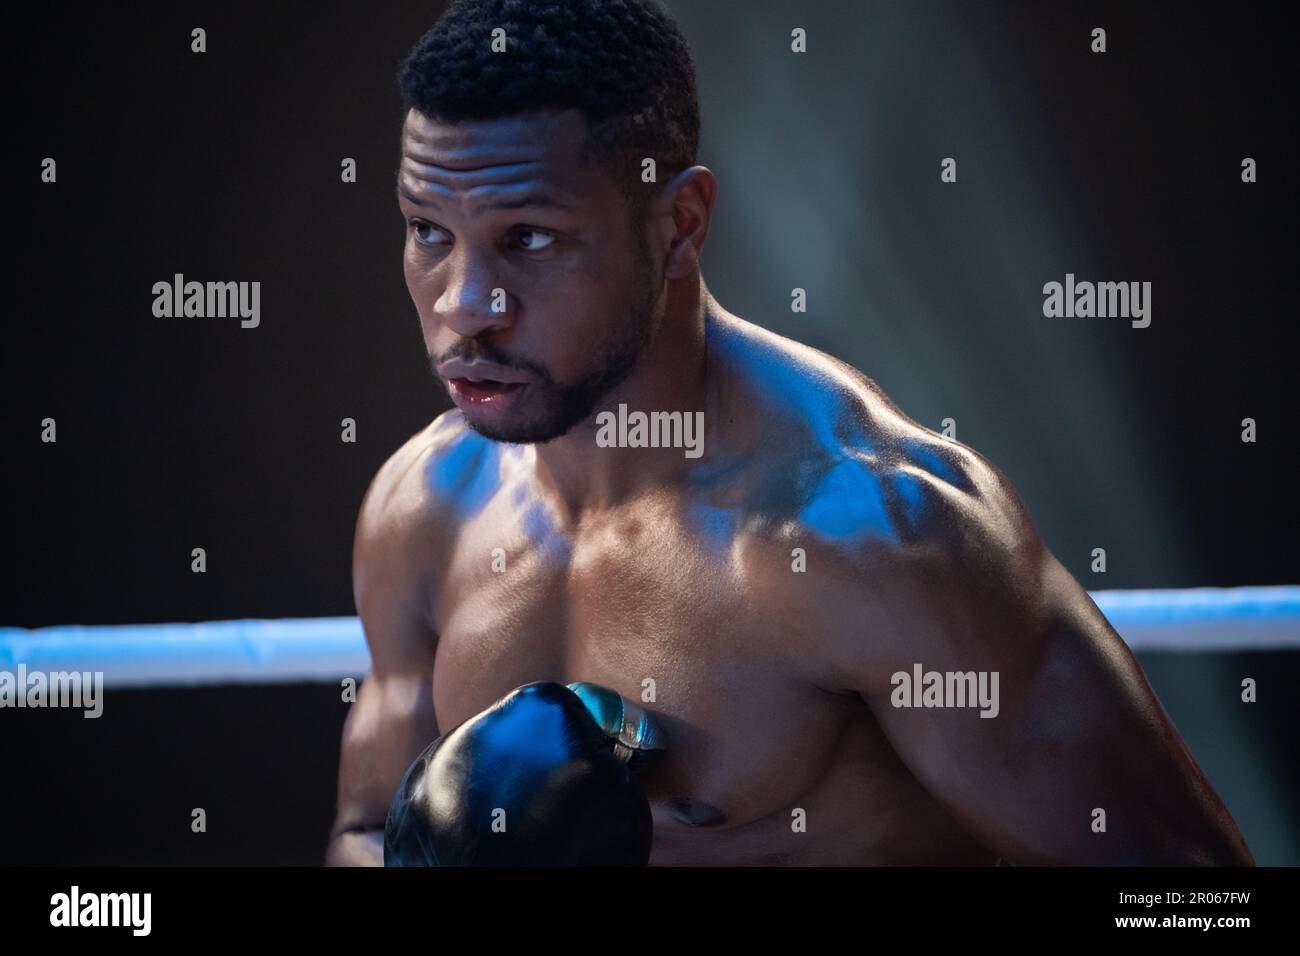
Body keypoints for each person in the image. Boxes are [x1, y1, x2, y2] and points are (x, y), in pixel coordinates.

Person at [326, 0, 1252, 866]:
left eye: (528, 236)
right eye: (427, 230)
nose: (463, 307)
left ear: (678, 225)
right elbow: (364, 829)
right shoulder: (425, 511)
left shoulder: (875, 532)